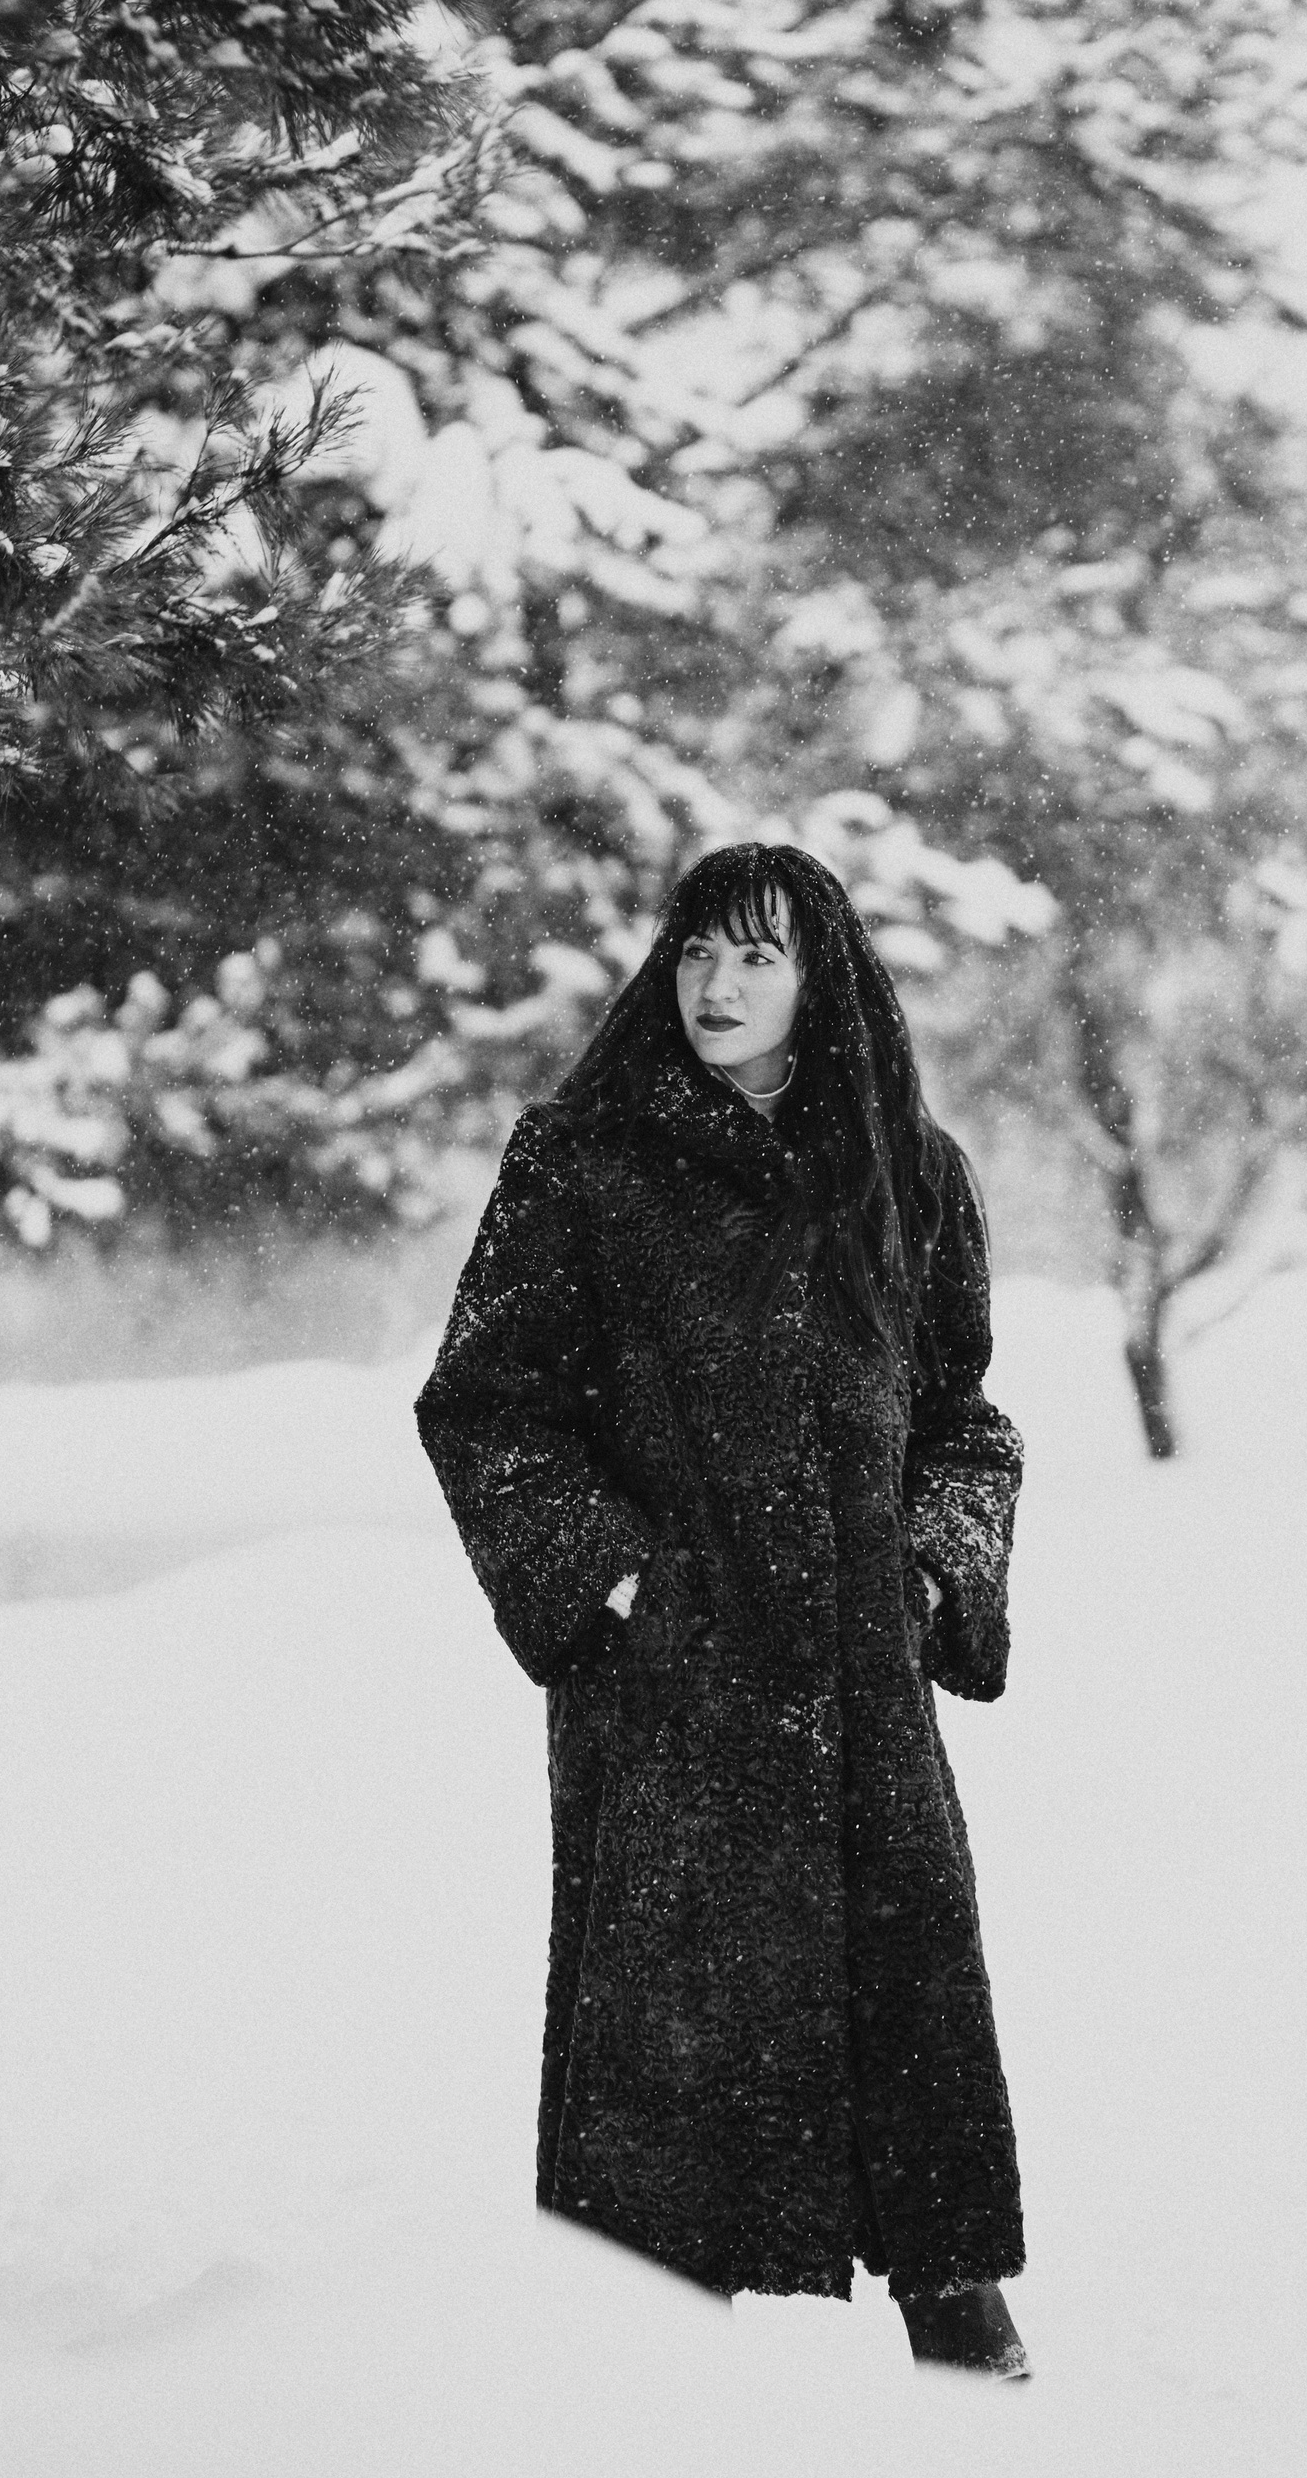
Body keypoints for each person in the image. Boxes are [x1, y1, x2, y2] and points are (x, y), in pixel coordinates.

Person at [413, 841, 1030, 2377]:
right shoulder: (583, 1164)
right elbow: (486, 1407)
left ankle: (967, 2364)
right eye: (697, 948)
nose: (717, 982)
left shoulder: (906, 1171)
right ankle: (646, 2394)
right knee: (668, 2112)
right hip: (673, 1706)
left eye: (758, 954)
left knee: (910, 2062)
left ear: (822, 980)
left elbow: (963, 1420)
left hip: (864, 1699)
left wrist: (934, 1572)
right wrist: (615, 1587)